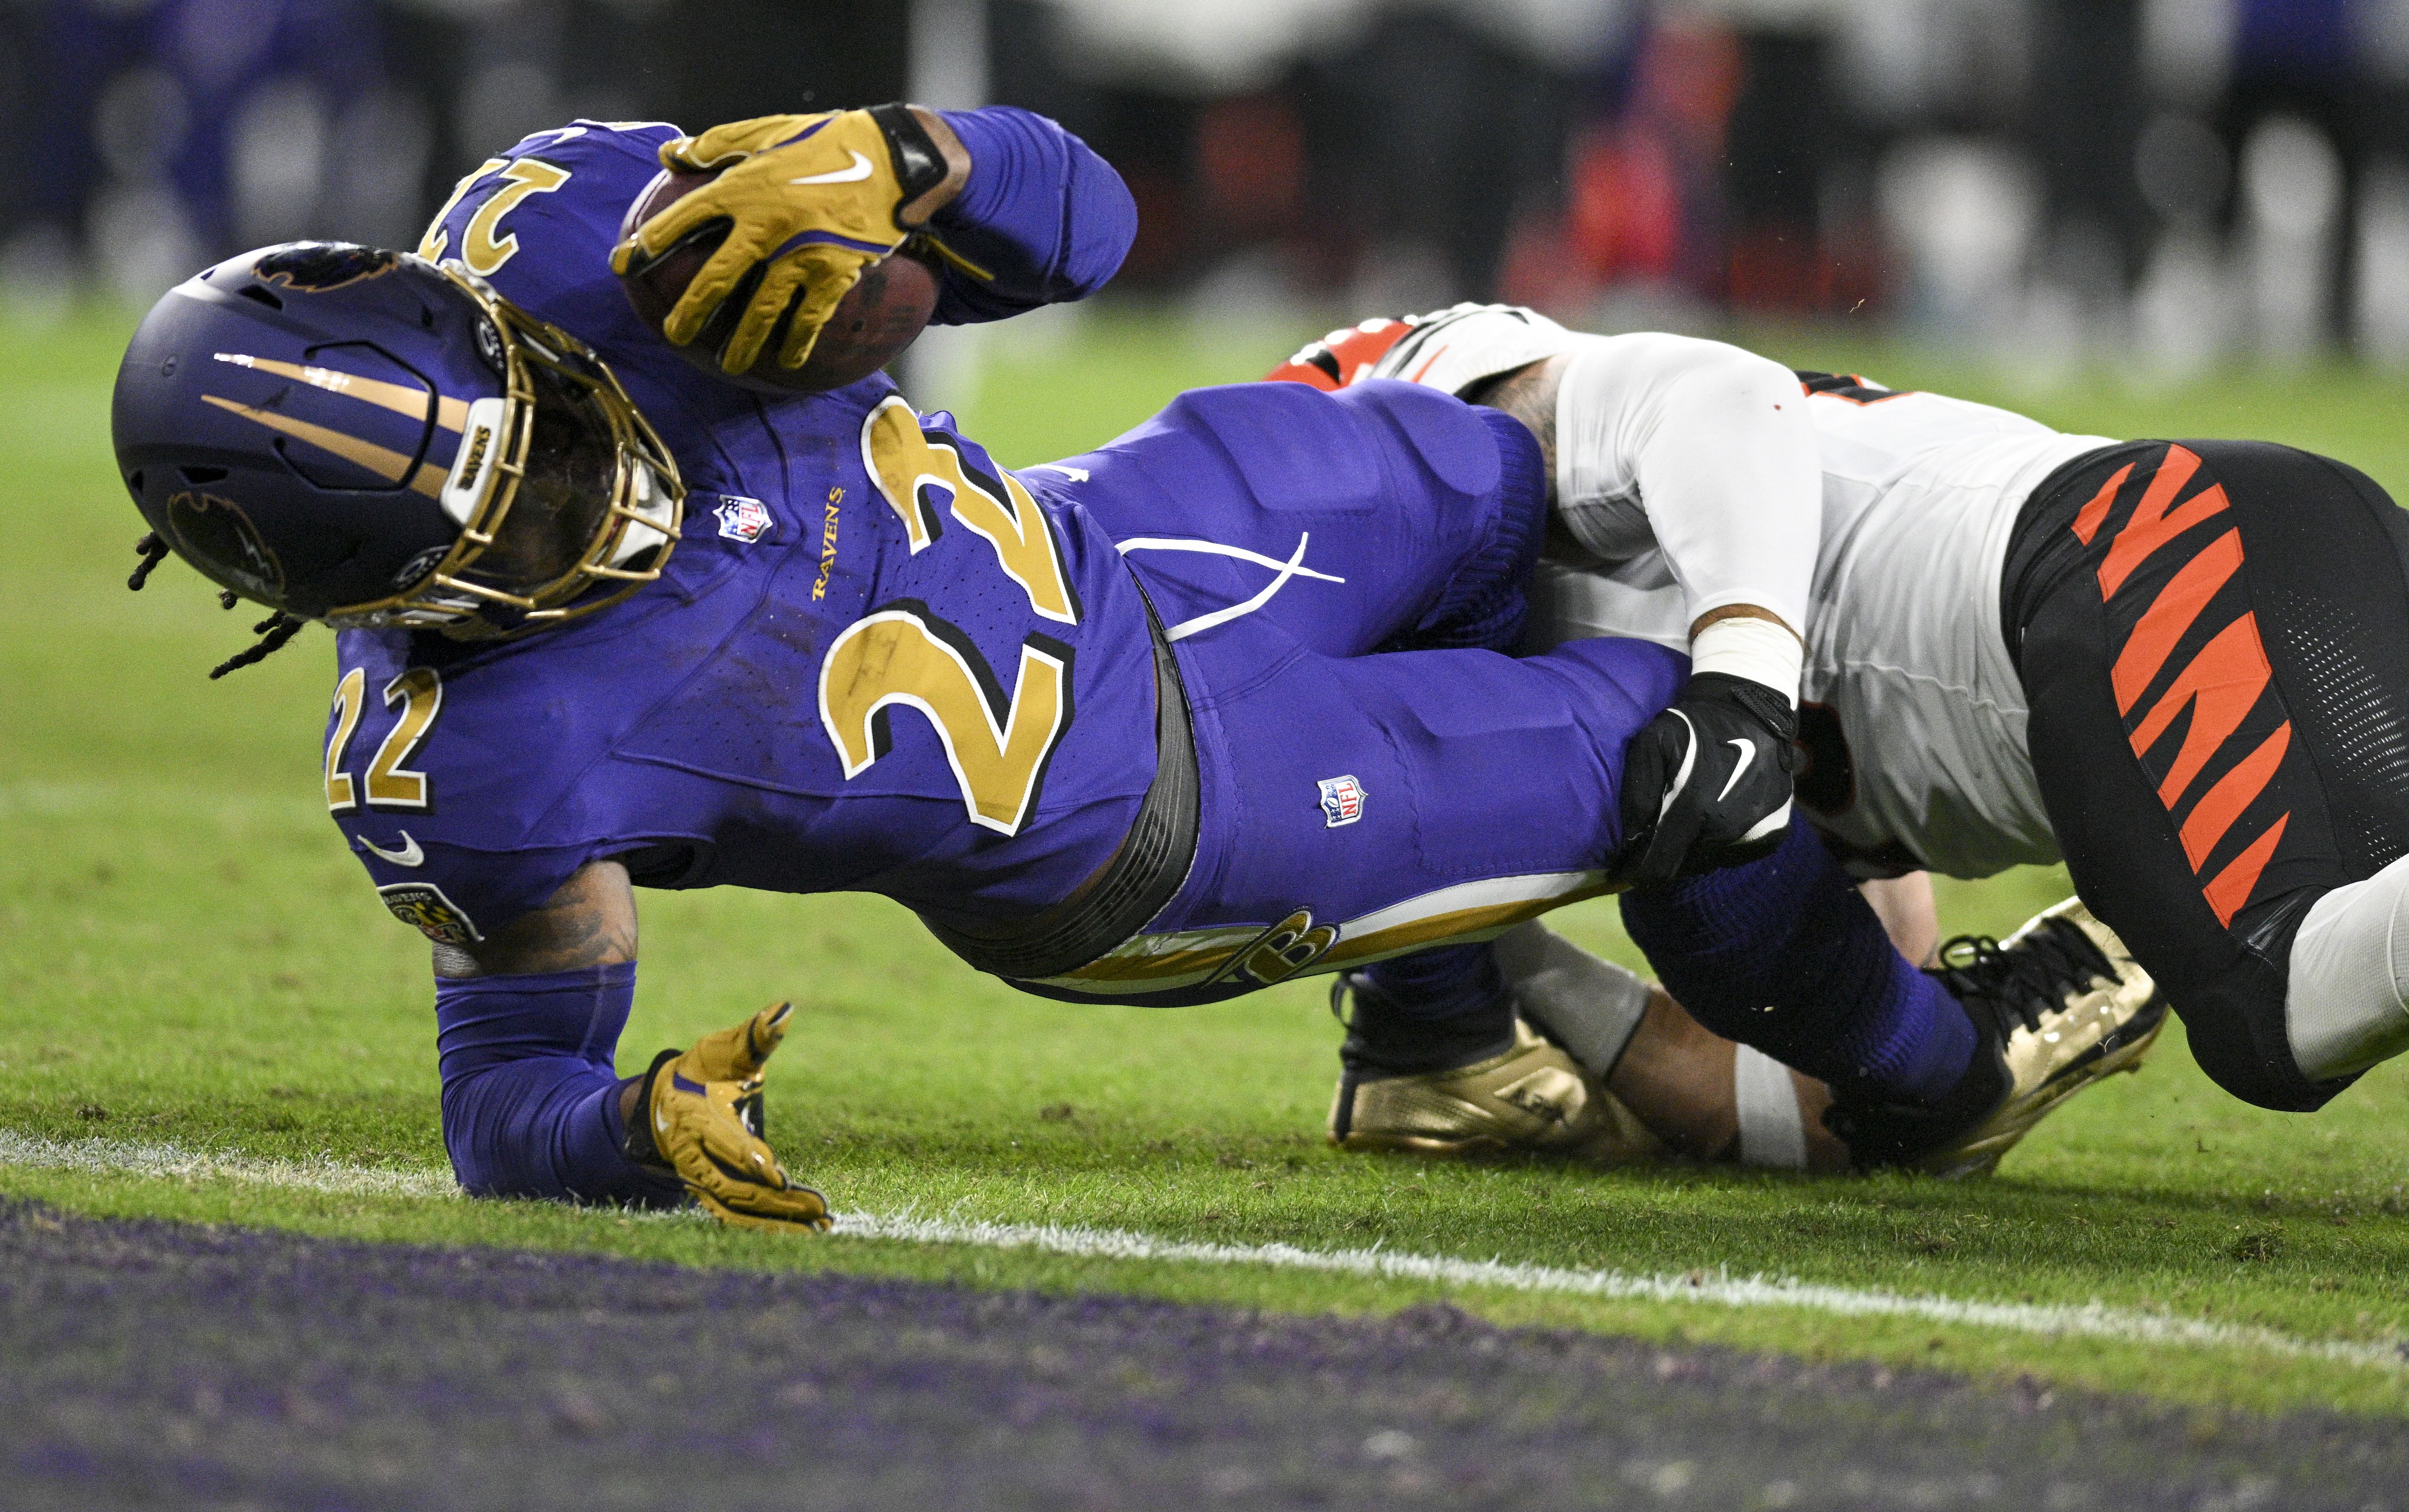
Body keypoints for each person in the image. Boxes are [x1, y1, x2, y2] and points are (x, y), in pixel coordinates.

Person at [108, 104, 2153, 1231]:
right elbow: (504, 1108)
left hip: (1152, 524)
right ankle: (1926, 1077)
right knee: (1679, 747)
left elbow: (1082, 216)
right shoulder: (476, 767)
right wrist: (625, 1132)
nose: (583, 503)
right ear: (372, 601)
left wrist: (911, 167)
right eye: (512, 537)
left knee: (1554, 484)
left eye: (549, 433)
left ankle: (1433, 1055)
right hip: (1158, 823)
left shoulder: (572, 227)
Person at [1269, 305, 2409, 1144]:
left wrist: (1741, 683)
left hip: (2142, 558)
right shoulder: (1649, 735)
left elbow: (1715, 399)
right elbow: (1836, 1108)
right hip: (2240, 557)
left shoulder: (1426, 412)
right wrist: (1497, 944)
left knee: (2284, 998)